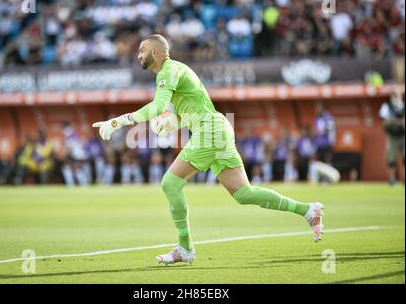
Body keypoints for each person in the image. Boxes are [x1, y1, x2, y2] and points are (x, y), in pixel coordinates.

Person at [92, 34, 324, 265]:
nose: (138, 54)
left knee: (170, 183)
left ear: (155, 52)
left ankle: (185, 248)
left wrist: (118, 121)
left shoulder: (168, 71)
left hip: (210, 131)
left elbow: (157, 106)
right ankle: (308, 210)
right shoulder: (175, 72)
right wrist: (176, 120)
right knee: (244, 194)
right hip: (217, 128)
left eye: (142, 50)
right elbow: (191, 109)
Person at [379, 89, 405, 185]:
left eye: (396, 93)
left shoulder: (403, 105)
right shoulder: (387, 106)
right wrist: (398, 121)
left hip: (403, 135)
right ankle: (392, 178)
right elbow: (384, 121)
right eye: (392, 94)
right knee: (391, 158)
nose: (394, 96)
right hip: (392, 135)